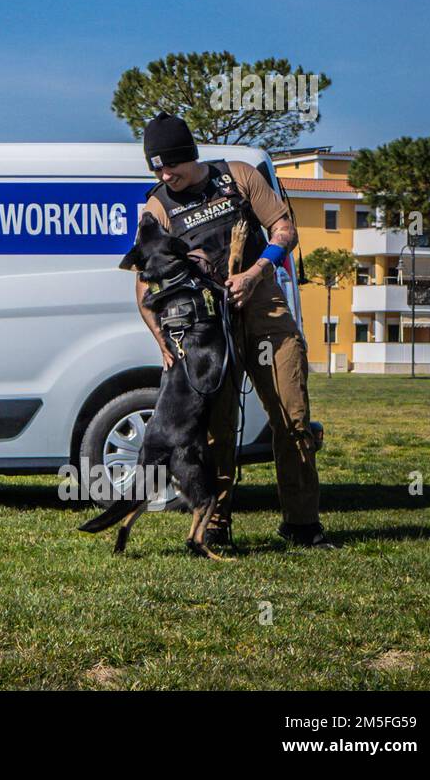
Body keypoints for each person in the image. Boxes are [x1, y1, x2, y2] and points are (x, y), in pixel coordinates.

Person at [134, 112, 331, 548]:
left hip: (264, 313)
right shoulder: (158, 208)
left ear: (192, 156)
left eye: (172, 165)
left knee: (291, 418)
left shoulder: (237, 177)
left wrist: (258, 271)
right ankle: (216, 524)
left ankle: (302, 525)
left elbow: (285, 229)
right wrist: (164, 343)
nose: (166, 175)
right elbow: (144, 284)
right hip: (208, 328)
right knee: (214, 429)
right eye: (157, 168)